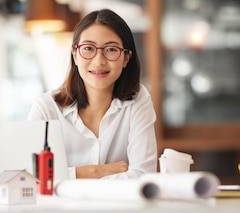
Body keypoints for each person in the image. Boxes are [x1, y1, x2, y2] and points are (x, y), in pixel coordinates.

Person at [27, 9, 158, 179]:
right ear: (75, 55)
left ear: (126, 58)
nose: (99, 61)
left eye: (111, 50)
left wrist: (65, 175)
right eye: (88, 48)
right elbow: (30, 175)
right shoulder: (46, 108)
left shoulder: (138, 100)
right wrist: (96, 171)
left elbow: (143, 176)